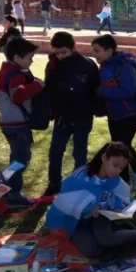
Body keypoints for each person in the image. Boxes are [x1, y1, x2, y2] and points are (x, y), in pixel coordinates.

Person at [44, 142, 136, 257]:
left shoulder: (116, 181)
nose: (117, 170)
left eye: (121, 168)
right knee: (92, 249)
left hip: (100, 217)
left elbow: (119, 199)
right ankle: (118, 233)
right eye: (115, 165)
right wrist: (89, 209)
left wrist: (119, 209)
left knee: (106, 238)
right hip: (76, 220)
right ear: (104, 158)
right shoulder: (82, 174)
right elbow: (66, 200)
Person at [44, 31, 102, 197]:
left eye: (64, 52)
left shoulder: (87, 65)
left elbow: (96, 89)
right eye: (57, 53)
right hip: (63, 116)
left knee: (80, 152)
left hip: (83, 115)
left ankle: (79, 181)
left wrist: (94, 107)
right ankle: (54, 182)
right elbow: (49, 88)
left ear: (73, 48)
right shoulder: (54, 64)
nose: (61, 56)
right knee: (56, 150)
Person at [91, 35, 136, 189]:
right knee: (123, 146)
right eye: (93, 51)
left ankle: (125, 182)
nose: (95, 54)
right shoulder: (105, 65)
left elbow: (128, 91)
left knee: (121, 148)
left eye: (97, 51)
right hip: (114, 114)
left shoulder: (123, 65)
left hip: (130, 114)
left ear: (109, 50)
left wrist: (103, 92)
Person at [0, 37, 45, 208]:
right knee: (20, 160)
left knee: (18, 158)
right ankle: (12, 194)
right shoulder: (14, 75)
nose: (31, 61)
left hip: (9, 123)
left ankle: (4, 189)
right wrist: (37, 85)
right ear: (17, 58)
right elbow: (17, 96)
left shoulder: (7, 71)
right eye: (29, 58)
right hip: (15, 124)